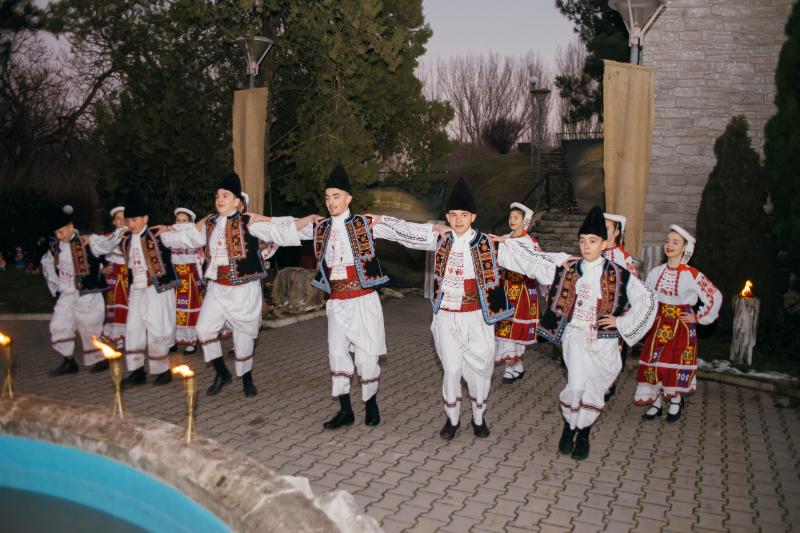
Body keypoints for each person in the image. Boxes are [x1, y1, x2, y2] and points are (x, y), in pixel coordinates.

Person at [495, 206, 657, 460]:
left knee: (595, 390)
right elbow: (533, 262)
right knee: (576, 385)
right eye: (582, 241)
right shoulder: (568, 267)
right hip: (576, 338)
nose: (586, 246)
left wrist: (622, 323)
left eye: (592, 241)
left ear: (603, 243)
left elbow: (648, 299)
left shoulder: (619, 273)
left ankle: (582, 432)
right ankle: (571, 427)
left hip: (605, 343)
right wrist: (504, 244)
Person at [369, 178, 520, 440]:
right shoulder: (440, 238)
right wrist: (381, 220)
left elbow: (527, 258)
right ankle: (452, 419)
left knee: (479, 371)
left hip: (476, 318)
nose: (458, 220)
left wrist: (562, 263)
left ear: (473, 217)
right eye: (453, 215)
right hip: (446, 318)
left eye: (464, 215)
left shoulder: (489, 243)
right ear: (447, 217)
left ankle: (478, 417)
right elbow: (409, 232)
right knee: (451, 370)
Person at [155, 172, 315, 397]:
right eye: (218, 196)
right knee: (204, 329)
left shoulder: (249, 222)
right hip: (218, 287)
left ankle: (247, 378)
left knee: (244, 337)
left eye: (225, 196)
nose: (220, 199)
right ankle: (222, 373)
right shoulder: (210, 223)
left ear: (237, 201)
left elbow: (278, 230)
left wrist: (307, 220)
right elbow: (188, 236)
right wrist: (165, 233)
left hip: (244, 289)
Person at [286, 165, 390, 430]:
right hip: (337, 301)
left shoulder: (365, 223)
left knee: (366, 358)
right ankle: (345, 410)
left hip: (363, 300)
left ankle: (371, 403)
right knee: (336, 353)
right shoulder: (320, 228)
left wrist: (438, 230)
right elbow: (284, 231)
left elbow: (404, 231)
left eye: (336, 196)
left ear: (348, 198)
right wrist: (256, 221)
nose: (331, 202)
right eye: (327, 197)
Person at [634, 225, 722, 422]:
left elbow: (715, 296)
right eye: (667, 241)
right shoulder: (656, 272)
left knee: (674, 363)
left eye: (675, 242)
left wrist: (698, 317)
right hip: (659, 325)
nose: (670, 245)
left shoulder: (692, 275)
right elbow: (646, 298)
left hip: (680, 327)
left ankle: (675, 401)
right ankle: (656, 403)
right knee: (655, 363)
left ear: (685, 247)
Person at [41, 205, 109, 376]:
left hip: (87, 294)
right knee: (59, 325)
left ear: (71, 226)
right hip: (67, 294)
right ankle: (68, 361)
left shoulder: (87, 241)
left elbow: (109, 245)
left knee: (88, 328)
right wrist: (56, 285)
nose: (59, 236)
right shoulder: (56, 247)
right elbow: (46, 263)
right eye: (56, 233)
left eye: (61, 231)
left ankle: (101, 359)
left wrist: (95, 242)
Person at [494, 202, 541, 384]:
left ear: (524, 221)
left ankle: (514, 364)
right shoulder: (505, 238)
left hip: (523, 290)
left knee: (517, 328)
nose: (512, 220)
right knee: (505, 326)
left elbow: (538, 266)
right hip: (506, 287)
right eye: (511, 217)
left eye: (516, 217)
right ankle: (513, 365)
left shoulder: (529, 242)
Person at [601, 212, 639, 400]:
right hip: (595, 309)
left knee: (612, 351)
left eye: (607, 228)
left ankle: (608, 384)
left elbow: (634, 287)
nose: (603, 231)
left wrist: (624, 317)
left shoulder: (623, 258)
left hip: (615, 312)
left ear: (617, 232)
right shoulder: (594, 251)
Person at [171, 207, 205, 355]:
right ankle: (173, 339)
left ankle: (191, 340)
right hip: (174, 276)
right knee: (173, 308)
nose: (180, 223)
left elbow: (199, 254)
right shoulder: (170, 234)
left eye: (184, 220)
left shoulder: (194, 235)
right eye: (178, 220)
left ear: (190, 222)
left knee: (189, 307)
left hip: (189, 275)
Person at [96, 206, 129, 349]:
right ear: (114, 222)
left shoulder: (134, 236)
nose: (121, 221)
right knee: (114, 303)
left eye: (124, 218)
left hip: (129, 274)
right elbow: (93, 254)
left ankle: (125, 336)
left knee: (128, 303)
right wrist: (100, 269)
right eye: (118, 218)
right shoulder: (108, 237)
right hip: (113, 273)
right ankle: (114, 335)